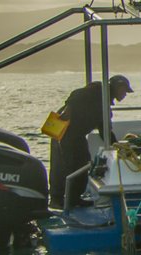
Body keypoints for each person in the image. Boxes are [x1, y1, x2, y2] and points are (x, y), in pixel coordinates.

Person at [49, 74, 132, 208]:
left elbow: (105, 131)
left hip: (77, 135)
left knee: (83, 163)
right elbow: (76, 95)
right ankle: (56, 199)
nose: (125, 94)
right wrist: (68, 109)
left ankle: (74, 198)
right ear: (117, 87)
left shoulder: (105, 105)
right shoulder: (98, 90)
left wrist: (117, 146)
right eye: (124, 90)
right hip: (64, 131)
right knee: (64, 165)